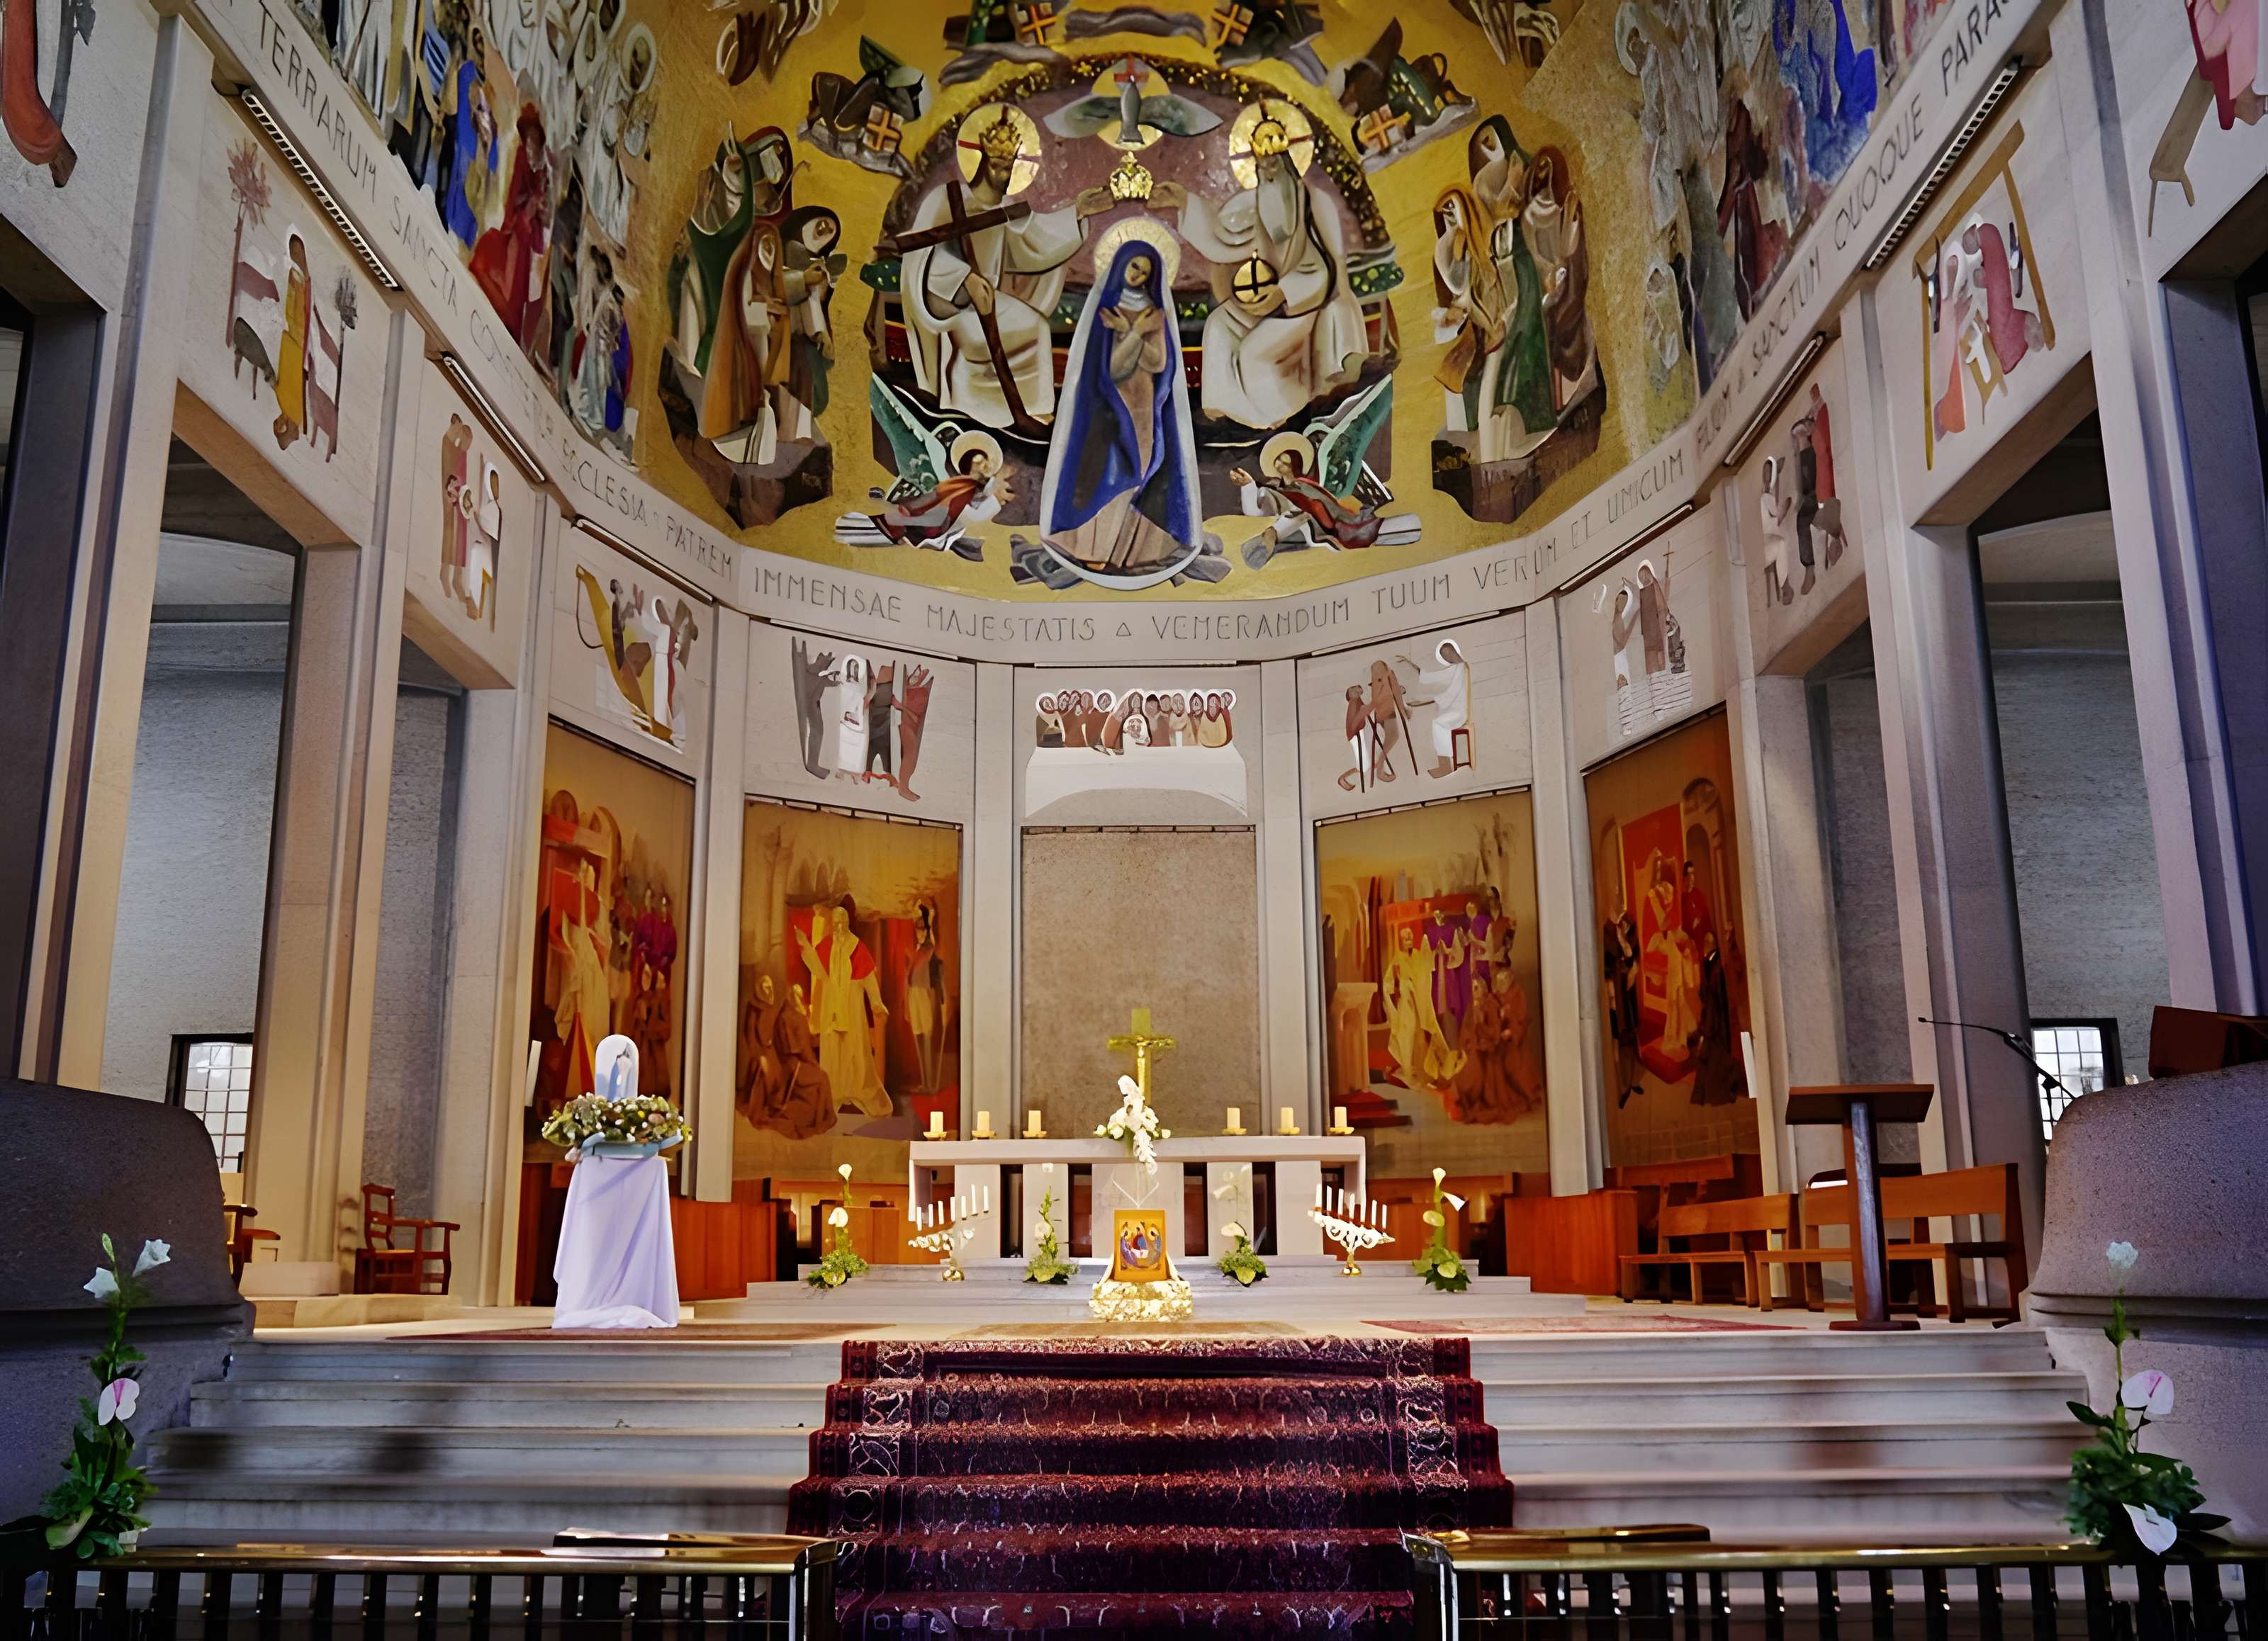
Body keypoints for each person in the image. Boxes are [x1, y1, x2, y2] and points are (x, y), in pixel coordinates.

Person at [901, 107, 1108, 427]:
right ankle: (970, 408)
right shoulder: (946, 199)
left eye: (1009, 167)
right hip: (948, 306)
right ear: (981, 162)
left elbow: (1028, 242)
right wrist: (963, 279)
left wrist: (1077, 212)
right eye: (997, 166)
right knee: (993, 335)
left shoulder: (1004, 211)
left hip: (988, 300)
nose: (1004, 175)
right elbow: (920, 256)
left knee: (1035, 327)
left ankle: (1032, 410)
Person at [1172, 107, 1368, 426]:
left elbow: (1328, 267)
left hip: (1306, 304)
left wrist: (1284, 292)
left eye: (1274, 162)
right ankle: (1229, 414)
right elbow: (1225, 235)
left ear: (1289, 161)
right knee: (1219, 324)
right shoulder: (1261, 203)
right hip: (1270, 301)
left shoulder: (1313, 201)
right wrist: (1185, 203)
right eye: (1262, 166)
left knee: (1252, 355)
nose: (1268, 170)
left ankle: (1277, 419)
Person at [1035, 235, 1203, 577]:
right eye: (1134, 266)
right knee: (1113, 473)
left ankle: (1131, 550)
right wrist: (1135, 331)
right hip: (1111, 407)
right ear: (1121, 266)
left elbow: (1158, 363)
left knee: (1141, 471)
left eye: (1145, 272)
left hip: (1145, 405)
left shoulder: (1155, 313)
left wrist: (1128, 332)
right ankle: (1094, 546)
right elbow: (1114, 369)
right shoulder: (1108, 311)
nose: (1138, 275)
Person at [833, 440, 1011, 560]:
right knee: (883, 526)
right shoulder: (961, 485)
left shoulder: (970, 489)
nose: (985, 468)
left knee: (885, 526)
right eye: (980, 464)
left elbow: (941, 511)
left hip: (930, 525)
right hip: (925, 522)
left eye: (985, 464)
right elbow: (935, 500)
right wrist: (905, 508)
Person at [469, 105, 551, 351]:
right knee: (500, 262)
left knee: (516, 278)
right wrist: (520, 217)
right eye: (528, 138)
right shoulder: (522, 157)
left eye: (534, 139)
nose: (530, 144)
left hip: (526, 235)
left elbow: (543, 221)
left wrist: (536, 211)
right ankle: (505, 312)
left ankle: (510, 322)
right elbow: (514, 196)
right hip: (518, 227)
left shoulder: (543, 170)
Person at [797, 901, 890, 1118]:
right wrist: (805, 948)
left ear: (847, 923)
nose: (839, 927)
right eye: (836, 923)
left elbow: (868, 978)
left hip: (853, 1003)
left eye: (842, 923)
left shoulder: (857, 947)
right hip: (832, 1004)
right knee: (833, 1050)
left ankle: (856, 1091)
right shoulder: (827, 945)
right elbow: (818, 970)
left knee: (854, 1048)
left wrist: (876, 1002)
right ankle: (835, 1093)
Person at [1401, 640, 1472, 778]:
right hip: (1456, 710)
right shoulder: (1457, 668)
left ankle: (1446, 767)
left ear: (1452, 652)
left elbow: (1452, 692)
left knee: (1439, 724)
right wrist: (1413, 666)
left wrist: (1429, 700)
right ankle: (1445, 764)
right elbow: (1434, 677)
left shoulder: (1461, 668)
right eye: (1444, 657)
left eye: (1446, 655)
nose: (1446, 659)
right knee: (1438, 720)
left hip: (1460, 712)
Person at [905, 901, 947, 1097]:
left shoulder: (929, 948)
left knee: (928, 1040)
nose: (919, 932)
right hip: (914, 994)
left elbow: (930, 928)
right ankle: (925, 1083)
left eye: (922, 929)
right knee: (918, 1038)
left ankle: (931, 1085)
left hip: (926, 995)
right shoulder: (915, 951)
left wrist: (928, 914)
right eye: (917, 929)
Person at [897, 664, 933, 800]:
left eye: (918, 675)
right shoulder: (906, 691)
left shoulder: (919, 692)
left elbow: (916, 716)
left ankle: (903, 786)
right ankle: (903, 787)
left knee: (911, 756)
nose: (915, 678)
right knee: (910, 755)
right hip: (904, 725)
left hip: (910, 725)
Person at [1339, 684, 1371, 790]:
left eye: (1358, 689)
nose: (1357, 691)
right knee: (1364, 766)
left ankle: (1345, 779)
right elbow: (1353, 724)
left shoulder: (1357, 701)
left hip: (1358, 733)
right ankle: (1343, 779)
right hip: (1356, 734)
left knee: (1365, 765)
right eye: (1353, 690)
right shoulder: (1353, 702)